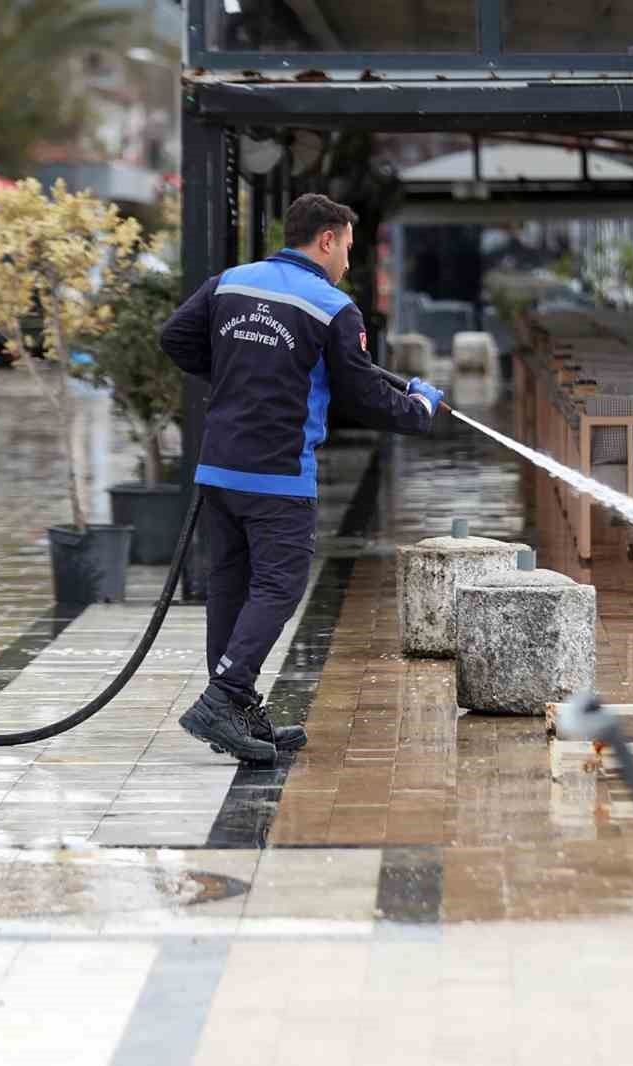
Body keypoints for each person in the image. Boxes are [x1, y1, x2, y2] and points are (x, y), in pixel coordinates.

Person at [161, 193, 444, 765]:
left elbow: (175, 338)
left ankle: (236, 707)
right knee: (280, 586)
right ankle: (225, 695)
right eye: (346, 248)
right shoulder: (332, 306)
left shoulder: (229, 283)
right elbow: (364, 394)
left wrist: (242, 371)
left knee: (230, 585)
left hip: (221, 467)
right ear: (326, 239)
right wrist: (420, 409)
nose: (347, 262)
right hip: (279, 474)